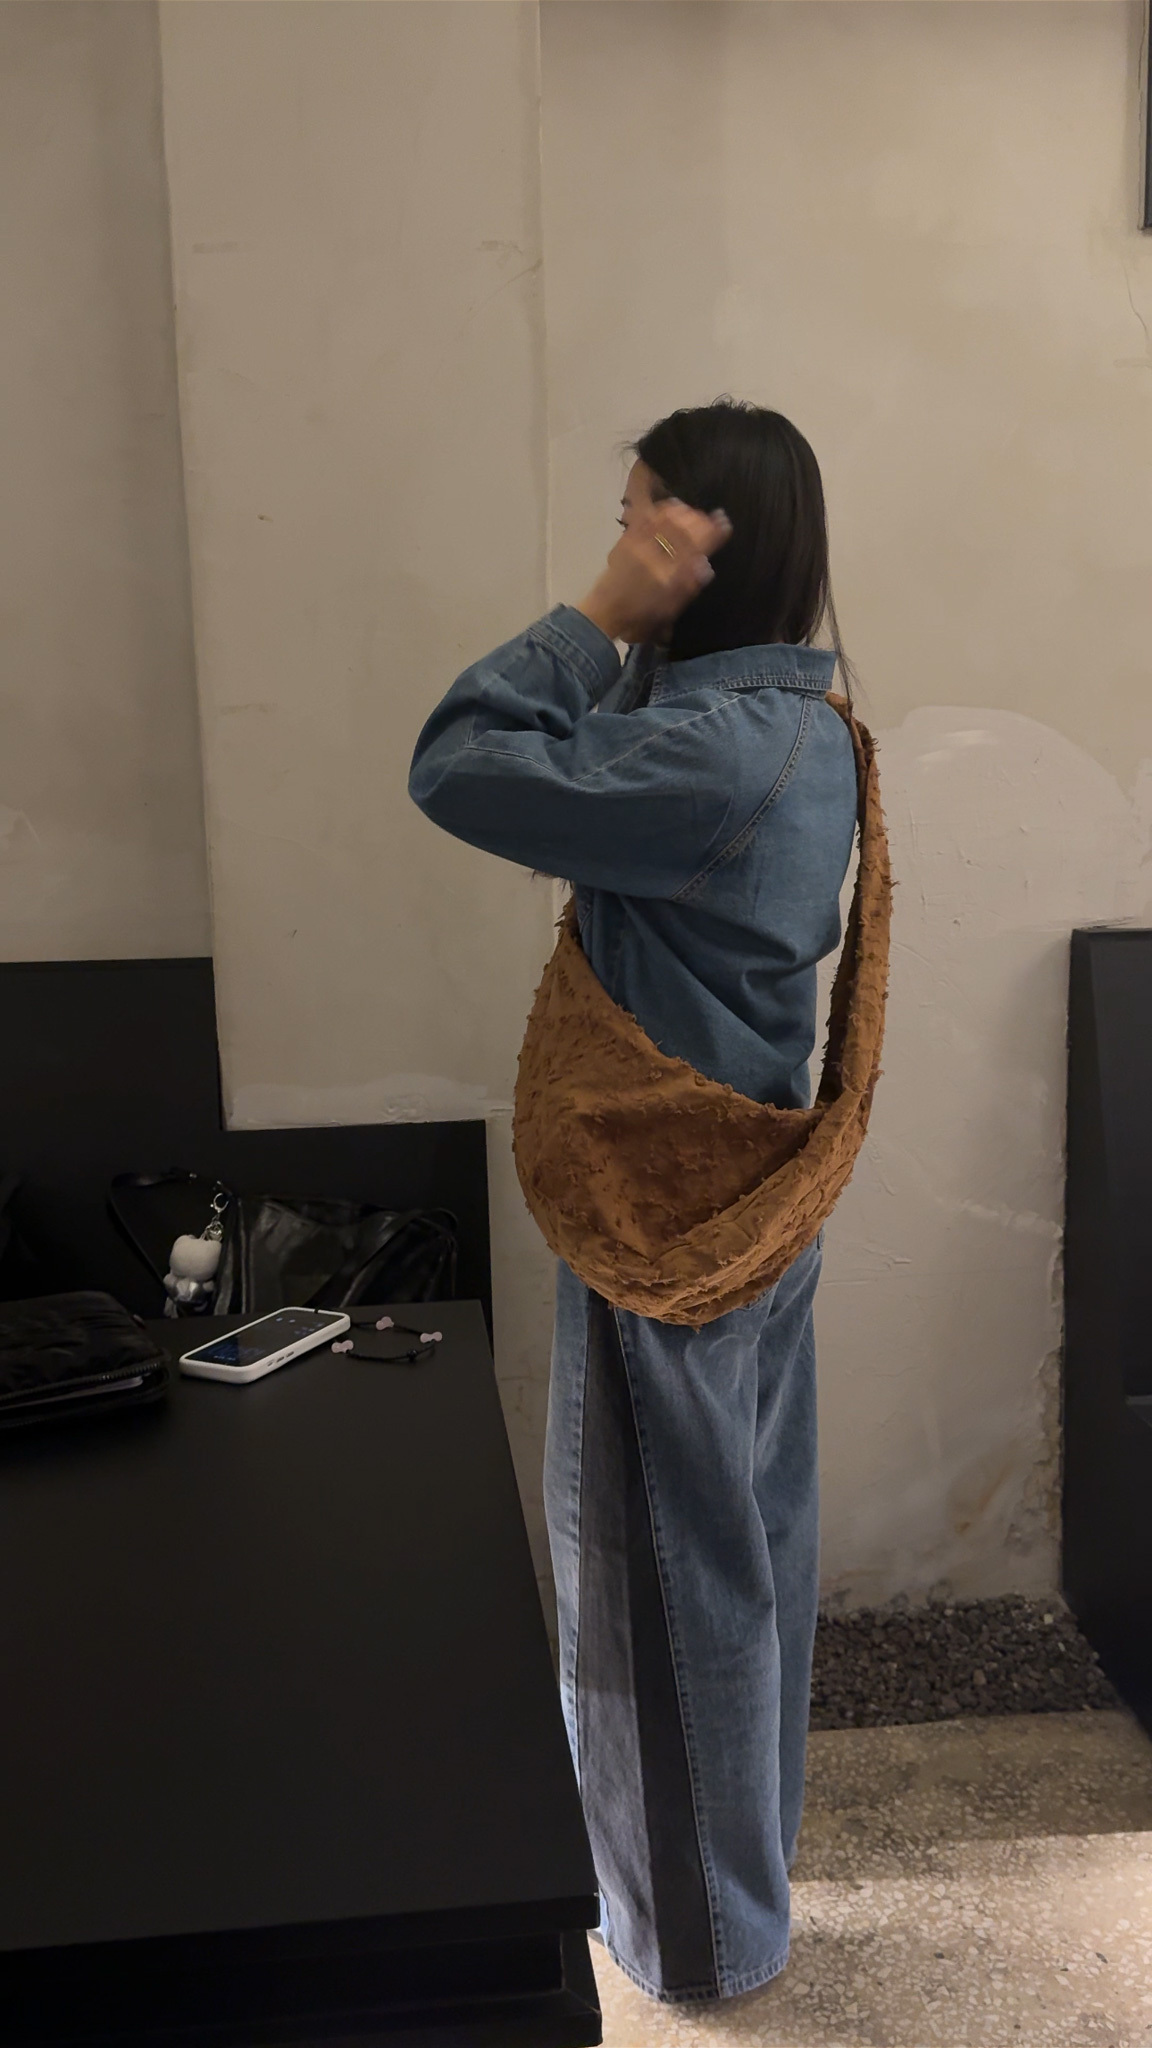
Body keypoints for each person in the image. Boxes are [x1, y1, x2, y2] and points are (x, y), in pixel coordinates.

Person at [408, 398, 860, 2004]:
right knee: (739, 1544)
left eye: (635, 522)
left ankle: (692, 1939)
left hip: (658, 1221)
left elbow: (458, 763)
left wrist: (601, 615)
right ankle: (740, 1894)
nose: (614, 548)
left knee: (652, 1574)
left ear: (699, 552)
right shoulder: (802, 726)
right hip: (751, 1197)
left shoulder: (701, 754)